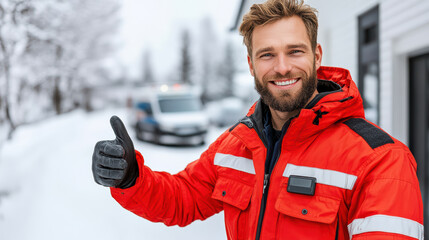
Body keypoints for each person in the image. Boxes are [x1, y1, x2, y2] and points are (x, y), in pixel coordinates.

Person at [91, 0, 424, 239]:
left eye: (295, 51)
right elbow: (183, 199)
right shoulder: (236, 145)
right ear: (251, 65)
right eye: (267, 54)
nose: (281, 67)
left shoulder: (379, 159)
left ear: (316, 55)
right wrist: (132, 178)